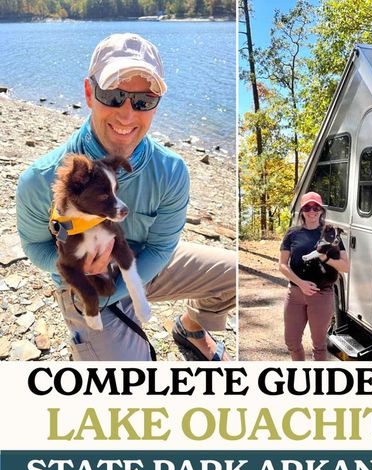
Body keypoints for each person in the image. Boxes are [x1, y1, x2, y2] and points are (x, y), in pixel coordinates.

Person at [16, 32, 235, 361]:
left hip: (141, 262)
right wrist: (80, 274)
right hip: (83, 283)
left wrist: (122, 290)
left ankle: (190, 326)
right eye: (113, 95)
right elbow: (35, 247)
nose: (127, 114)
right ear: (90, 93)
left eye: (143, 101)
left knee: (233, 274)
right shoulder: (39, 180)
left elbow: (161, 248)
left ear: (156, 105)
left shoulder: (172, 171)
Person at [279, 191, 349, 361]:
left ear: (321, 210)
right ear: (302, 211)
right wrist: (301, 283)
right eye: (308, 207)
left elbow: (345, 267)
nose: (312, 211)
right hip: (295, 294)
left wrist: (326, 257)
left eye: (316, 207)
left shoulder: (330, 234)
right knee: (292, 342)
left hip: (321, 295)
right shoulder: (292, 233)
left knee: (319, 345)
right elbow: (282, 265)